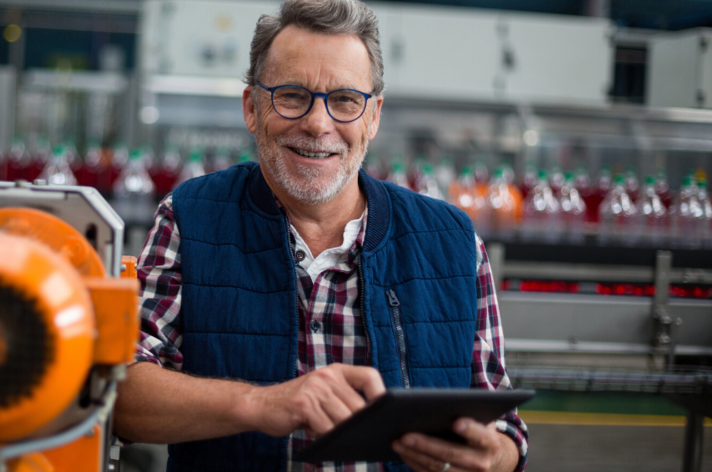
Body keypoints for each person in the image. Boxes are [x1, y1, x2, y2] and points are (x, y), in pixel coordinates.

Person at [114, 1, 528, 471]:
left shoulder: (452, 243)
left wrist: (493, 455)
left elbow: (506, 430)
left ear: (373, 116)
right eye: (291, 95)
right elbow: (119, 391)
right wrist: (263, 405)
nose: (317, 123)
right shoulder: (191, 220)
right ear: (252, 108)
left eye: (345, 100)